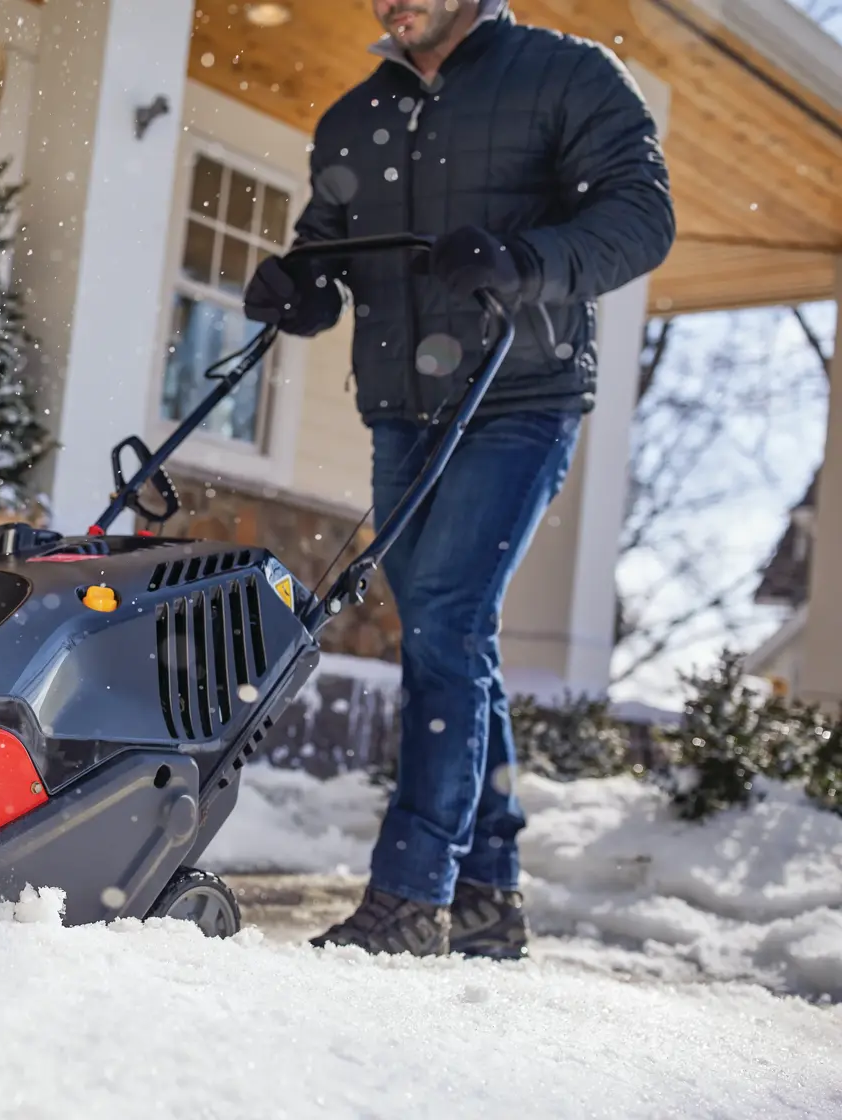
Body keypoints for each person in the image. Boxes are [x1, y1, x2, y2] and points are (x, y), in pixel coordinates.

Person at [243, 0, 675, 958]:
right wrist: (303, 286)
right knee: (449, 631)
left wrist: (527, 261)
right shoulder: (355, 117)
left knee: (443, 608)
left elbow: (642, 217)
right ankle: (489, 890)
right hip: (401, 407)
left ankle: (411, 895)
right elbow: (331, 245)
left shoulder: (566, 75)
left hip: (522, 393)